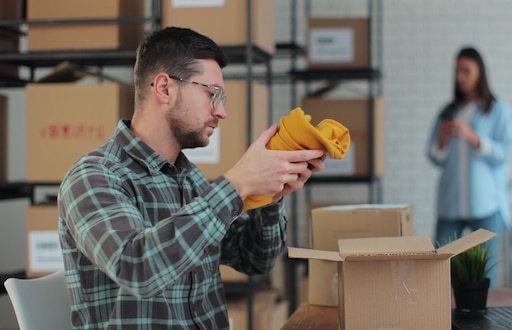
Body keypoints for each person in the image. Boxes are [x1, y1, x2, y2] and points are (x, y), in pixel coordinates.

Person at [57, 27, 325, 329]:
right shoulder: (94, 177)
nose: (221, 111)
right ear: (165, 89)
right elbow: (137, 268)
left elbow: (254, 260)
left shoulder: (188, 177)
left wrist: (271, 194)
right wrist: (237, 184)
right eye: (212, 94)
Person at [427, 47, 512, 288]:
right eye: (457, 71)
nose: (460, 77)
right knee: (439, 268)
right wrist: (442, 141)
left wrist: (473, 138)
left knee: (486, 273)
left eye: (466, 70)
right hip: (450, 203)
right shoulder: (447, 111)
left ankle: (487, 321)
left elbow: (502, 153)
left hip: (486, 204)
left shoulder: (497, 110)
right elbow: (433, 156)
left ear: (479, 73)